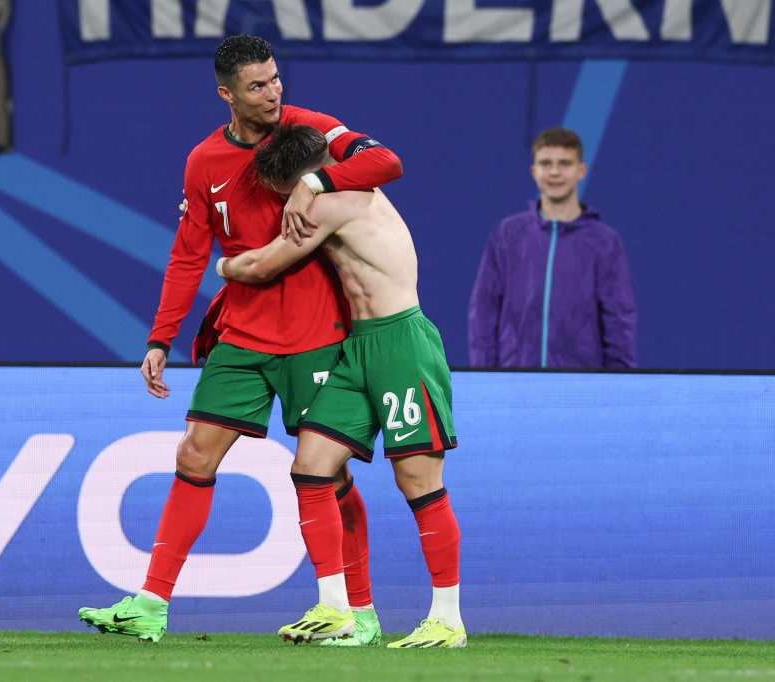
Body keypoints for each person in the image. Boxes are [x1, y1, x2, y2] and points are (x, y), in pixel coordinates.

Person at [77, 35, 403, 645]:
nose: (274, 93)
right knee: (194, 456)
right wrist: (160, 338)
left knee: (327, 478)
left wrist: (317, 184)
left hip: (317, 332)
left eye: (276, 79)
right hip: (244, 333)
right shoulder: (204, 161)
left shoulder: (312, 128)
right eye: (258, 86)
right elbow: (187, 255)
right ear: (227, 94)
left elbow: (387, 163)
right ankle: (152, 603)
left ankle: (356, 611)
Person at [217, 124, 465, 649]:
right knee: (310, 467)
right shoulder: (335, 185)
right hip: (358, 347)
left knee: (418, 481)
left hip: (402, 343)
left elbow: (262, 267)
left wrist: (220, 263)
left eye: (282, 193)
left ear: (302, 179)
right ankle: (338, 610)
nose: (283, 204)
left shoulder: (332, 202)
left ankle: (447, 619)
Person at [468, 127, 636, 369]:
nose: (555, 172)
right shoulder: (508, 234)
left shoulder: (605, 241)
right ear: (534, 171)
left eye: (565, 163)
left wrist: (620, 383)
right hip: (513, 381)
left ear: (581, 170)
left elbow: (619, 319)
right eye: (546, 163)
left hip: (582, 385)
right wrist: (484, 376)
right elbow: (483, 311)